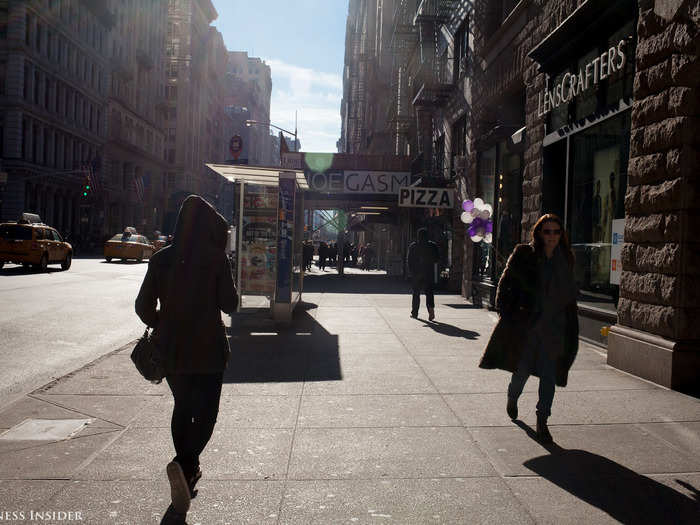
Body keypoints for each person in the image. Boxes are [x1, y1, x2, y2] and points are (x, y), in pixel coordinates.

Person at [135, 195, 238, 515]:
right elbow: (230, 305)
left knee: (183, 406)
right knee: (207, 414)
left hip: (172, 349)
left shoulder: (160, 258)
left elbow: (142, 307)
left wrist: (162, 324)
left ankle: (186, 469)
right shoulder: (216, 258)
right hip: (208, 348)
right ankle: (184, 464)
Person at [479, 213, 579, 443]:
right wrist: (507, 312)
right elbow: (506, 284)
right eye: (547, 231)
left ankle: (542, 421)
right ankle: (512, 397)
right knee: (521, 372)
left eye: (556, 231)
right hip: (527, 326)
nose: (552, 236)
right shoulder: (524, 253)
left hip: (554, 328)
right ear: (538, 232)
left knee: (549, 376)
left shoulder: (566, 258)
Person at [407, 228, 439, 320]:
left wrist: (411, 272)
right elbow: (437, 259)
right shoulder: (433, 246)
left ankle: (415, 313)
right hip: (428, 272)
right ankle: (431, 310)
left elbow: (409, 260)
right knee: (429, 292)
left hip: (416, 273)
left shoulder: (413, 246)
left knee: (416, 293)